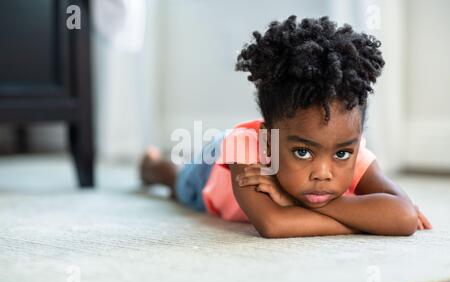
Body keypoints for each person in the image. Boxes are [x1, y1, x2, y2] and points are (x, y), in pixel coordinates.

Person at [140, 15, 432, 238]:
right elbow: (274, 224)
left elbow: (403, 217)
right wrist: (365, 221)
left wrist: (295, 202)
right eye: (303, 152)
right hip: (210, 174)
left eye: (342, 154)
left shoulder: (346, 147)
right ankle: (153, 165)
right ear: (268, 141)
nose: (323, 173)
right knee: (177, 184)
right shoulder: (247, 146)